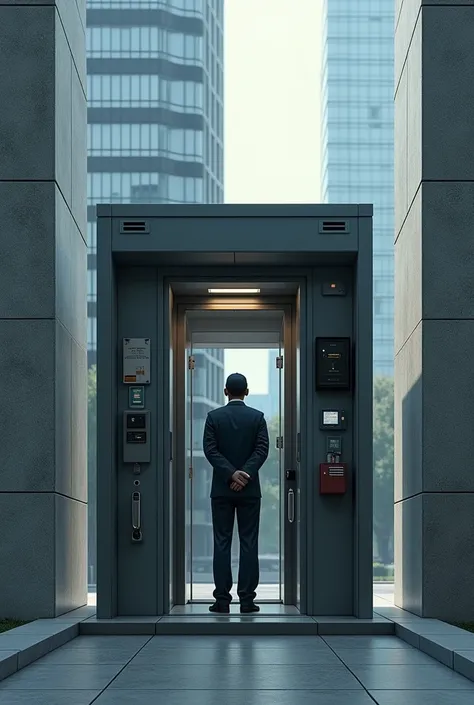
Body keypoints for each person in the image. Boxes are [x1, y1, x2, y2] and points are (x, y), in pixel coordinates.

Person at [203, 372, 269, 613]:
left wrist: (230, 474)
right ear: (247, 392)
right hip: (250, 491)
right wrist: (245, 475)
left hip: (221, 489)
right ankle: (247, 601)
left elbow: (210, 451)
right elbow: (262, 450)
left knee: (222, 543)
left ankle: (222, 601)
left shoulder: (213, 417)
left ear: (225, 391)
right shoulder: (257, 418)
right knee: (249, 543)